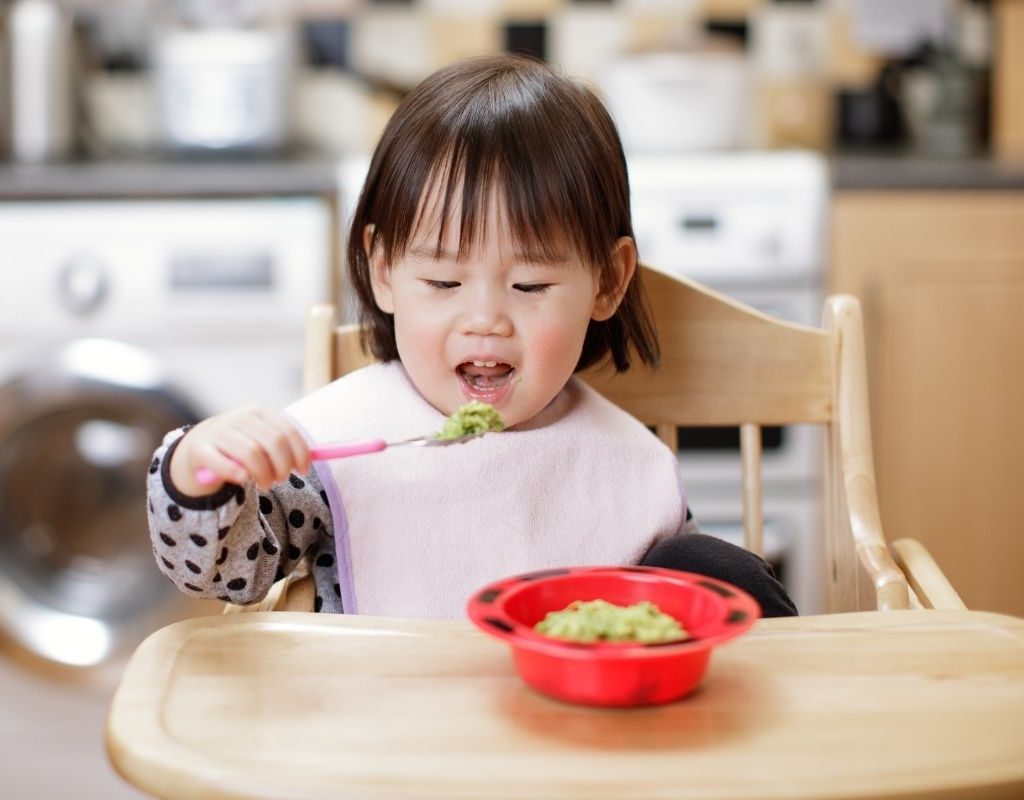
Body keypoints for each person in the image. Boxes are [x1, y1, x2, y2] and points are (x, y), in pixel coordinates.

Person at [147, 54, 797, 619]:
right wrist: (198, 470)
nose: (484, 319)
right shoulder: (341, 444)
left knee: (712, 567)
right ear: (384, 274)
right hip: (386, 742)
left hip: (578, 750)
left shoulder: (623, 462)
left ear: (606, 281)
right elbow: (222, 572)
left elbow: (669, 623)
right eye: (443, 282)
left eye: (530, 286)